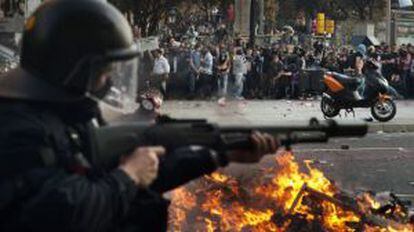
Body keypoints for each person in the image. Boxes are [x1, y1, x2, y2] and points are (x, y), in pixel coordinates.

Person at [0, 1, 278, 231]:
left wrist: (219, 155)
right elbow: (61, 212)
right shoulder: (17, 127)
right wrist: (129, 175)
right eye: (105, 68)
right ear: (75, 68)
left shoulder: (63, 112)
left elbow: (125, 174)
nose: (108, 77)